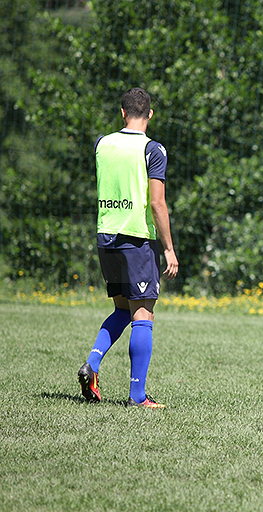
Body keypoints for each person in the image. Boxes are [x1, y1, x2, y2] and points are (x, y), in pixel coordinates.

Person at [77, 87, 179, 409]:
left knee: (122, 309)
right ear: (149, 114)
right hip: (136, 239)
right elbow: (157, 203)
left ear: (122, 113)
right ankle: (137, 397)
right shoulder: (153, 149)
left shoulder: (102, 144)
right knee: (143, 314)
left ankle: (92, 365)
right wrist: (169, 249)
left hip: (106, 236)